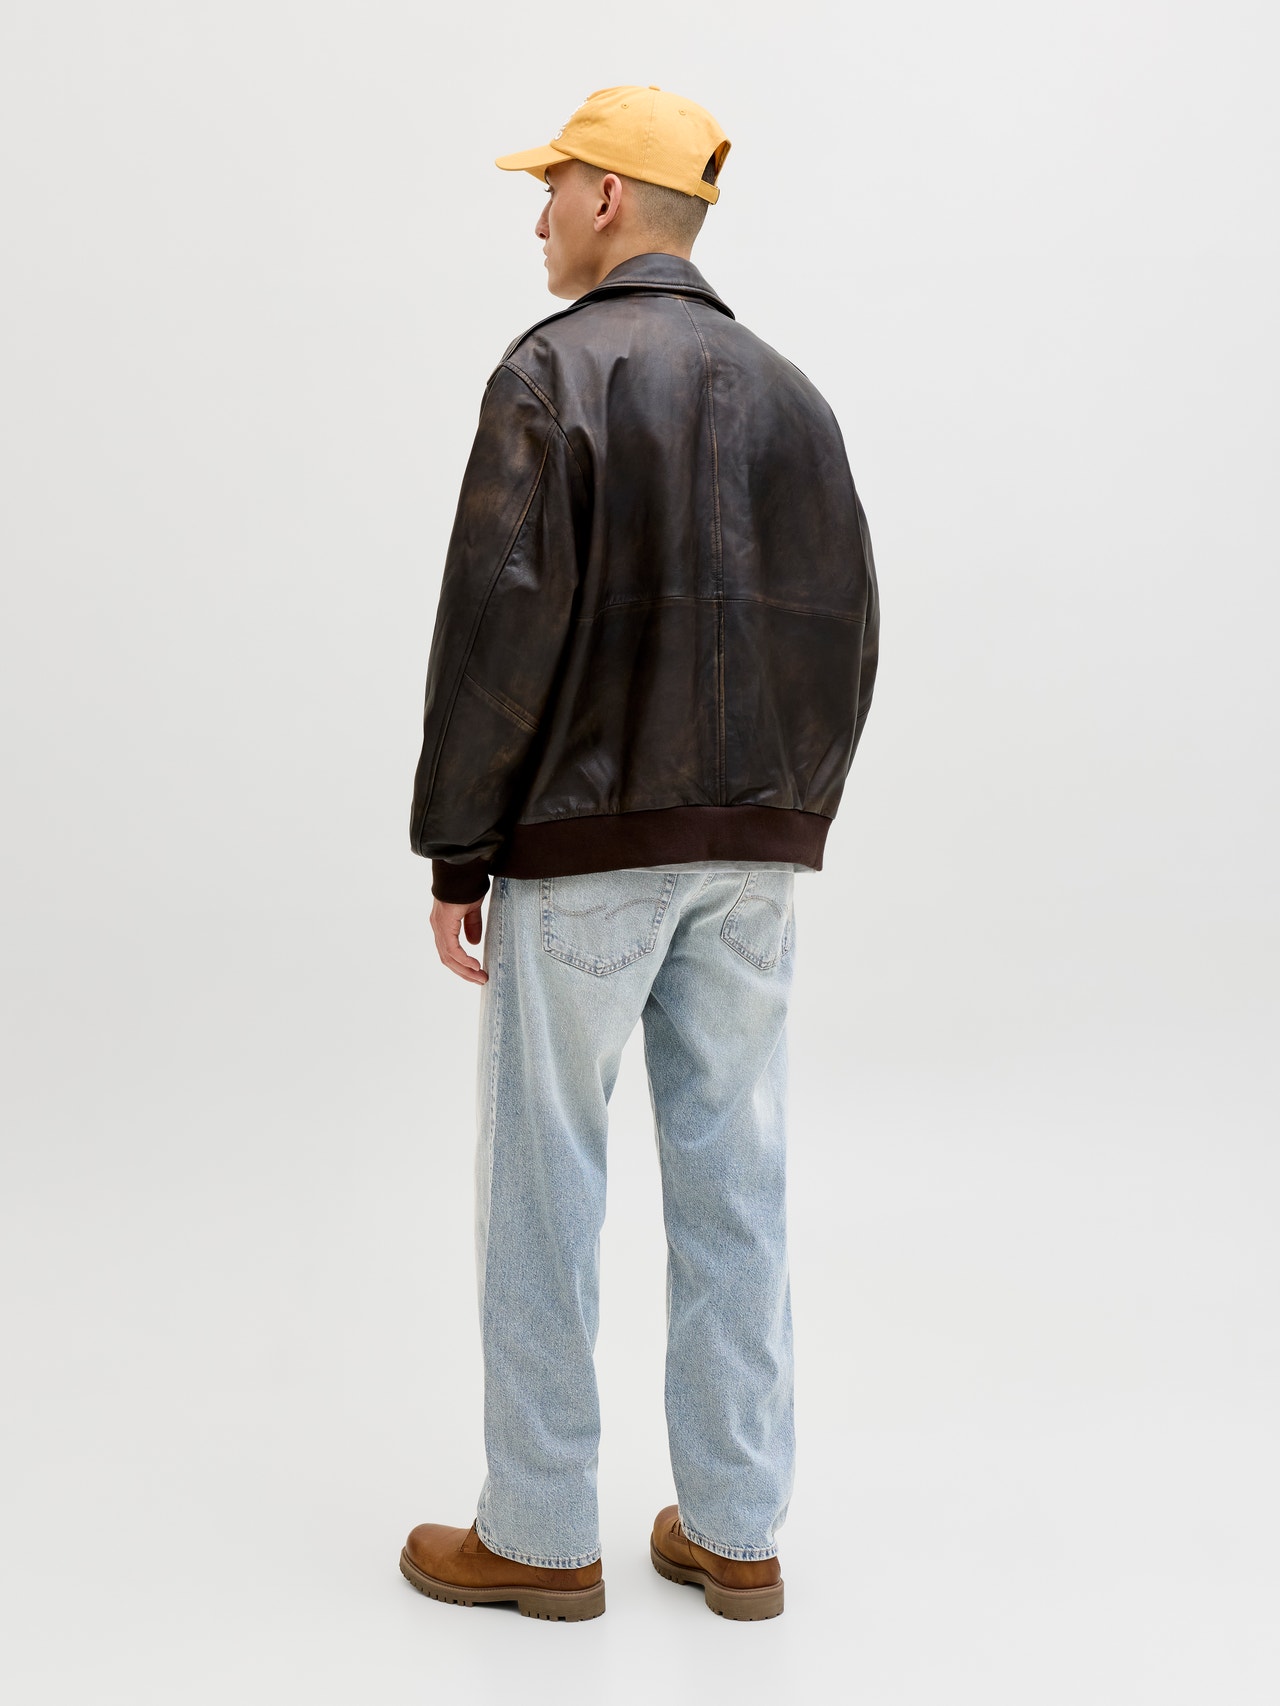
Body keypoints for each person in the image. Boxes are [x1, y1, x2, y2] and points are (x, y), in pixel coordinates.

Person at [399, 84, 880, 1623]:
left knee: (546, 1179)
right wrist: (784, 815)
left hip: (584, 842)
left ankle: (543, 1531)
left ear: (610, 197)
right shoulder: (796, 395)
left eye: (552, 185)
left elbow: (497, 627)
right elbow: (850, 627)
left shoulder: (554, 373)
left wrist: (459, 845)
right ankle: (736, 1525)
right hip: (753, 856)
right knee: (737, 1170)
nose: (536, 213)